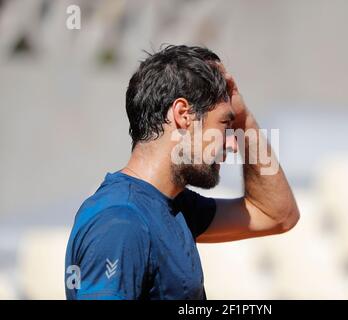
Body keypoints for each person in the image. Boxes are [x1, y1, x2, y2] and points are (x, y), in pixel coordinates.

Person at [65, 45, 300, 300]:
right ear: (183, 115)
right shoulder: (121, 221)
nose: (233, 144)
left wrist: (244, 120)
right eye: (225, 124)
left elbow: (277, 214)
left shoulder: (175, 207)